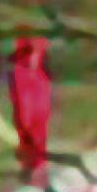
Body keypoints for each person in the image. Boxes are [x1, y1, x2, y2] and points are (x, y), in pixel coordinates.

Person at [9, 33, 57, 184]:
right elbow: (22, 99)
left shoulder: (39, 72)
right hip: (30, 118)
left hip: (39, 116)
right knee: (32, 145)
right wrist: (26, 122)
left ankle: (35, 172)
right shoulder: (22, 72)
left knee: (38, 144)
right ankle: (32, 174)